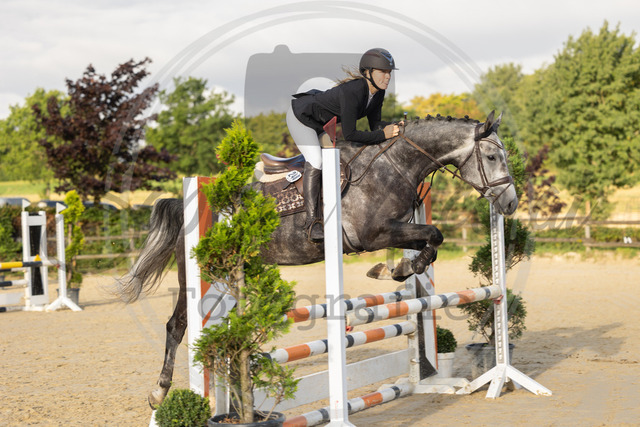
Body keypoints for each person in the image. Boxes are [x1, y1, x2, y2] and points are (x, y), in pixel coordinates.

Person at [287, 48, 402, 243]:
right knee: (316, 160)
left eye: (389, 72)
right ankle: (312, 223)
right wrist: (383, 134)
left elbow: (375, 126)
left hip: (321, 124)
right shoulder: (353, 92)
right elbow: (350, 134)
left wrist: (395, 127)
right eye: (383, 71)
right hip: (301, 117)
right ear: (368, 73)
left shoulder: (378, 94)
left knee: (337, 159)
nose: (388, 76)